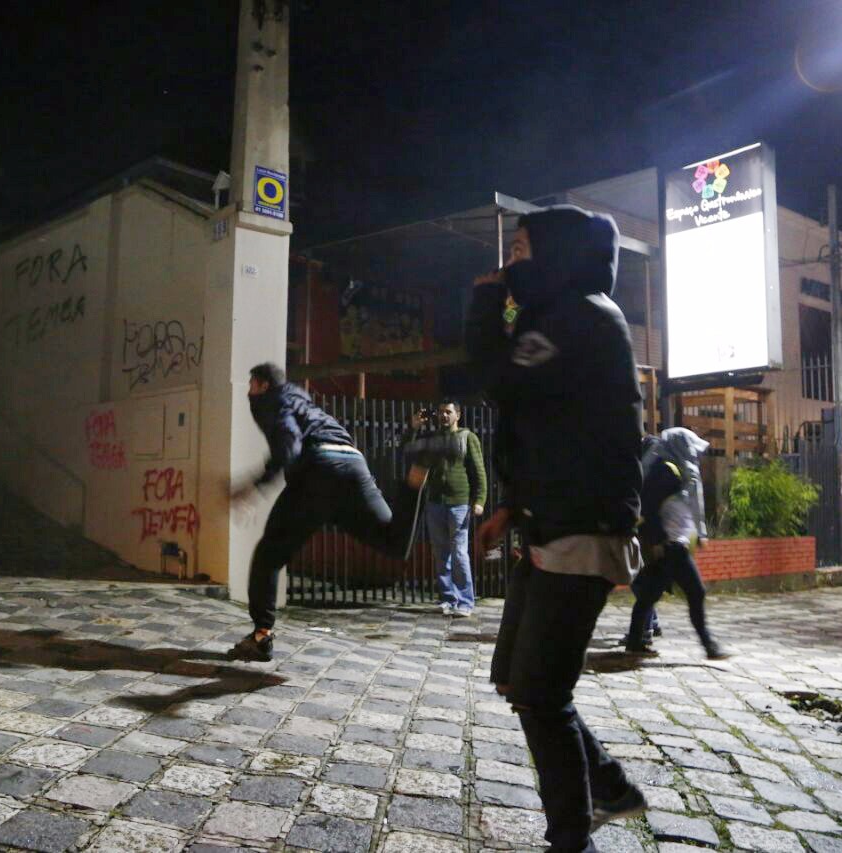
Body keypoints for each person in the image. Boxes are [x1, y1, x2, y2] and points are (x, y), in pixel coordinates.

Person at [468, 205, 646, 852]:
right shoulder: (561, 318)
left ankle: (572, 838)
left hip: (583, 529)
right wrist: (510, 508)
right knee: (521, 681)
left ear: (556, 256)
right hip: (554, 523)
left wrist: (485, 302)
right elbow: (553, 431)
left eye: (520, 249)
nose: (510, 263)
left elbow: (497, 380)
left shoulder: (584, 316)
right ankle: (611, 786)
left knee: (542, 693)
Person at [227, 363, 462, 662]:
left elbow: (288, 444)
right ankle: (418, 471)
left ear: (261, 384)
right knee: (394, 542)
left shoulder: (271, 400)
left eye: (251, 385)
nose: (249, 392)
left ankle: (261, 636)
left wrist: (253, 486)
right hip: (352, 462)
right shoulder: (305, 400)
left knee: (269, 554)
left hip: (317, 470)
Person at [623, 428, 729, 659]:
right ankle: (709, 645)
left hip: (671, 543)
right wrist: (659, 539)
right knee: (695, 592)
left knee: (649, 595)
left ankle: (634, 642)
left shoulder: (672, 468)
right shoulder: (666, 470)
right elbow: (649, 507)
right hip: (670, 544)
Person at [410, 401, 487, 617]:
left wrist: (479, 500)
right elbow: (411, 452)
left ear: (458, 415)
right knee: (441, 552)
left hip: (459, 503)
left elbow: (478, 471)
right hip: (435, 502)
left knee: (459, 552)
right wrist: (415, 427)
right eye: (441, 412)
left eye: (448, 412)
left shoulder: (467, 437)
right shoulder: (434, 439)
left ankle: (465, 601)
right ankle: (447, 598)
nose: (444, 416)